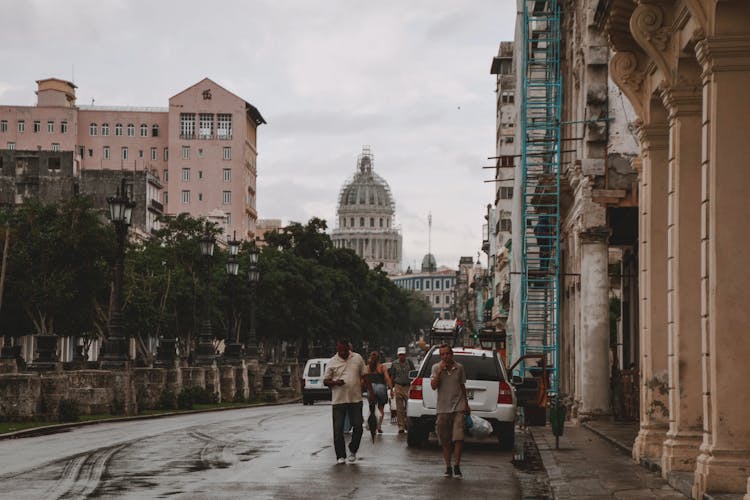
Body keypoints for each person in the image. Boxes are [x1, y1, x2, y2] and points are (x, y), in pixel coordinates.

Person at [324, 339, 370, 464]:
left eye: (345, 350)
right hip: (339, 401)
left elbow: (365, 375)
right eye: (341, 350)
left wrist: (370, 392)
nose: (343, 352)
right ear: (337, 349)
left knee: (358, 427)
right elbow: (325, 381)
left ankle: (353, 449)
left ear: (349, 348)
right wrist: (335, 383)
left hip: (355, 399)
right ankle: (340, 455)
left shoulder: (357, 358)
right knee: (338, 430)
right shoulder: (332, 362)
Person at [430, 343, 470, 479]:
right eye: (442, 354)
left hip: (458, 407)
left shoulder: (459, 368)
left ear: (451, 354)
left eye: (447, 353)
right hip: (443, 408)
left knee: (458, 438)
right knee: (445, 439)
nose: (445, 356)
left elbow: (462, 385)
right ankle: (448, 466)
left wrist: (466, 404)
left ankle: (457, 466)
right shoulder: (436, 368)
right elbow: (433, 386)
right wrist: (440, 371)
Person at [365, 351, 393, 433]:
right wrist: (391, 389)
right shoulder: (382, 367)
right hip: (381, 388)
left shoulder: (367, 368)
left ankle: (372, 426)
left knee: (372, 409)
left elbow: (363, 380)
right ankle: (379, 426)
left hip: (371, 389)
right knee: (381, 408)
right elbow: (387, 378)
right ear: (379, 358)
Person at [388, 347, 415, 434]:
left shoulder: (409, 363)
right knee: (399, 409)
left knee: (408, 407)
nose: (401, 356)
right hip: (398, 386)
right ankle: (401, 426)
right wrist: (391, 389)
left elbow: (414, 373)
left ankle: (407, 424)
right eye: (400, 355)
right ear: (398, 355)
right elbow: (392, 376)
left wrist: (414, 385)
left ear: (405, 355)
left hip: (408, 386)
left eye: (403, 355)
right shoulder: (394, 364)